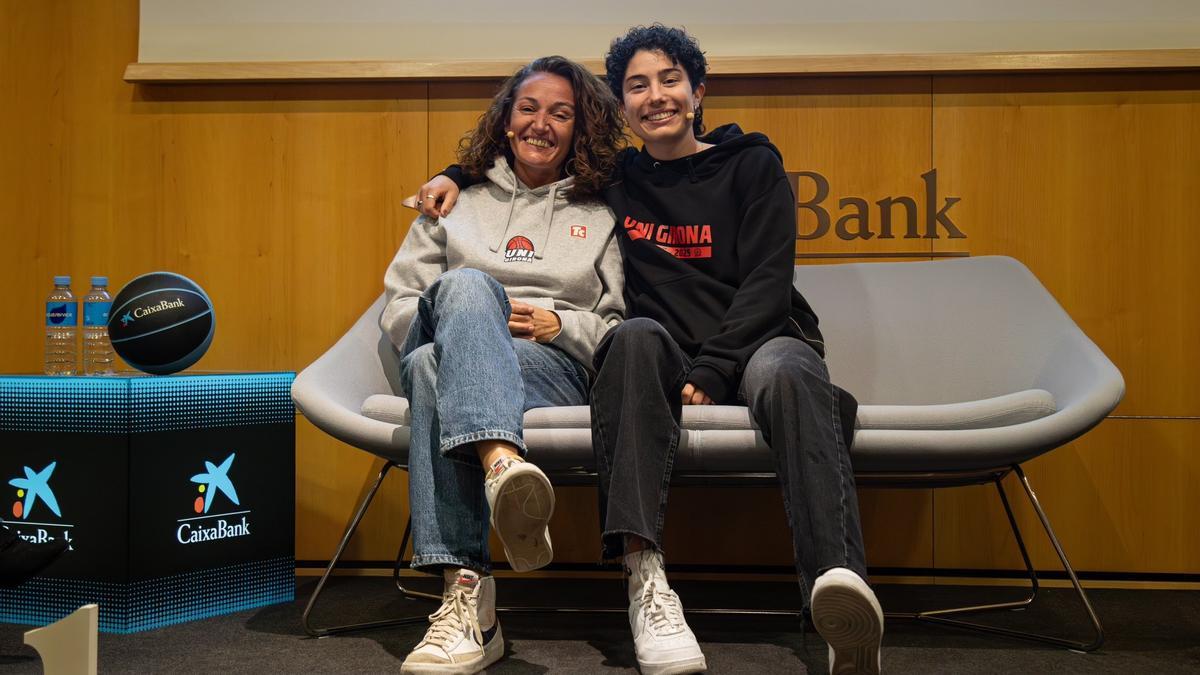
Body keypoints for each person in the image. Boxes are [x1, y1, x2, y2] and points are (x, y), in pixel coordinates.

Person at [421, 25, 884, 675]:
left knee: (790, 372)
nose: (656, 95)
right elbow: (532, 155)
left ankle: (837, 590)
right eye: (637, 85)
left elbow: (768, 282)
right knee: (631, 336)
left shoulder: (752, 163)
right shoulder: (618, 176)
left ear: (698, 90)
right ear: (623, 105)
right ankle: (644, 576)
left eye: (670, 80)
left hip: (756, 341)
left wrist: (716, 367)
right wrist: (451, 174)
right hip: (663, 346)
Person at [382, 55, 626, 675]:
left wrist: (563, 324)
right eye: (528, 107)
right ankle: (501, 463)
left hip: (547, 365)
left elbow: (619, 328)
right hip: (448, 332)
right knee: (465, 293)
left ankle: (467, 601)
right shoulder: (452, 200)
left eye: (561, 113)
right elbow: (401, 303)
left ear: (581, 128)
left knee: (435, 370)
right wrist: (467, 322)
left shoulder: (603, 214)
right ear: (506, 118)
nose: (541, 123)